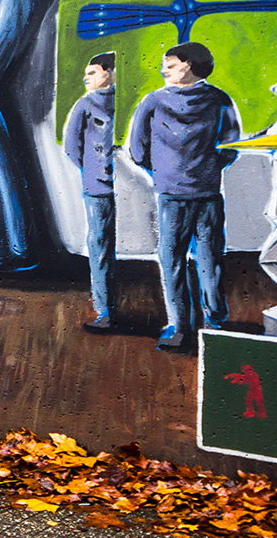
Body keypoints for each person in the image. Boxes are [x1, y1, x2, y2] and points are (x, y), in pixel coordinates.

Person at [128, 42, 242, 351]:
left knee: (172, 260)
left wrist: (163, 172)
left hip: (172, 194)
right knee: (210, 257)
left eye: (170, 65)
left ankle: (180, 328)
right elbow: (231, 145)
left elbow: (136, 150)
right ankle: (216, 322)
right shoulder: (220, 99)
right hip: (208, 191)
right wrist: (208, 168)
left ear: (188, 65)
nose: (163, 70)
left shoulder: (152, 101)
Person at [63, 53, 118, 330]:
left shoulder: (125, 102)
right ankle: (105, 311)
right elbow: (71, 147)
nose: (86, 77)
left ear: (112, 73)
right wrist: (94, 170)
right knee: (99, 244)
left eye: (93, 72)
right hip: (97, 186)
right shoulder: (84, 105)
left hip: (127, 185)